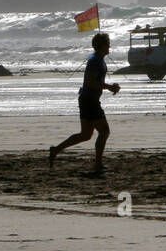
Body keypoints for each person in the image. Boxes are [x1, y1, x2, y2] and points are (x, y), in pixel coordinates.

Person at [50, 32, 120, 173]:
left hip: (87, 99)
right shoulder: (95, 60)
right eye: (107, 43)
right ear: (102, 46)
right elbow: (90, 82)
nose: (109, 46)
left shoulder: (99, 59)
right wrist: (109, 87)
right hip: (90, 100)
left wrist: (109, 86)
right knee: (104, 131)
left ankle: (55, 150)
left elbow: (93, 82)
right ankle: (98, 164)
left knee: (85, 135)